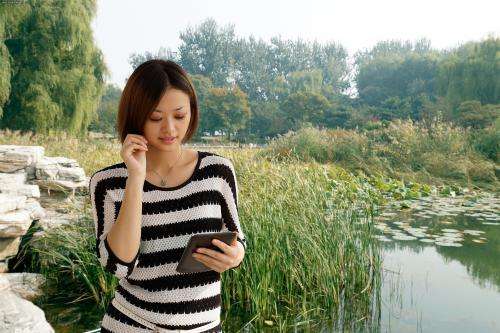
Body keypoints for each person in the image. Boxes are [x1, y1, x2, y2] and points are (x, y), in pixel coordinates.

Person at [88, 59, 247, 333]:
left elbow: (237, 237)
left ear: (192, 113)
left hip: (205, 327)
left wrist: (235, 256)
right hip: (131, 325)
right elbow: (119, 265)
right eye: (155, 118)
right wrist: (136, 177)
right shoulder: (108, 183)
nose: (170, 129)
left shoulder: (218, 172)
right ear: (136, 116)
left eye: (179, 116)